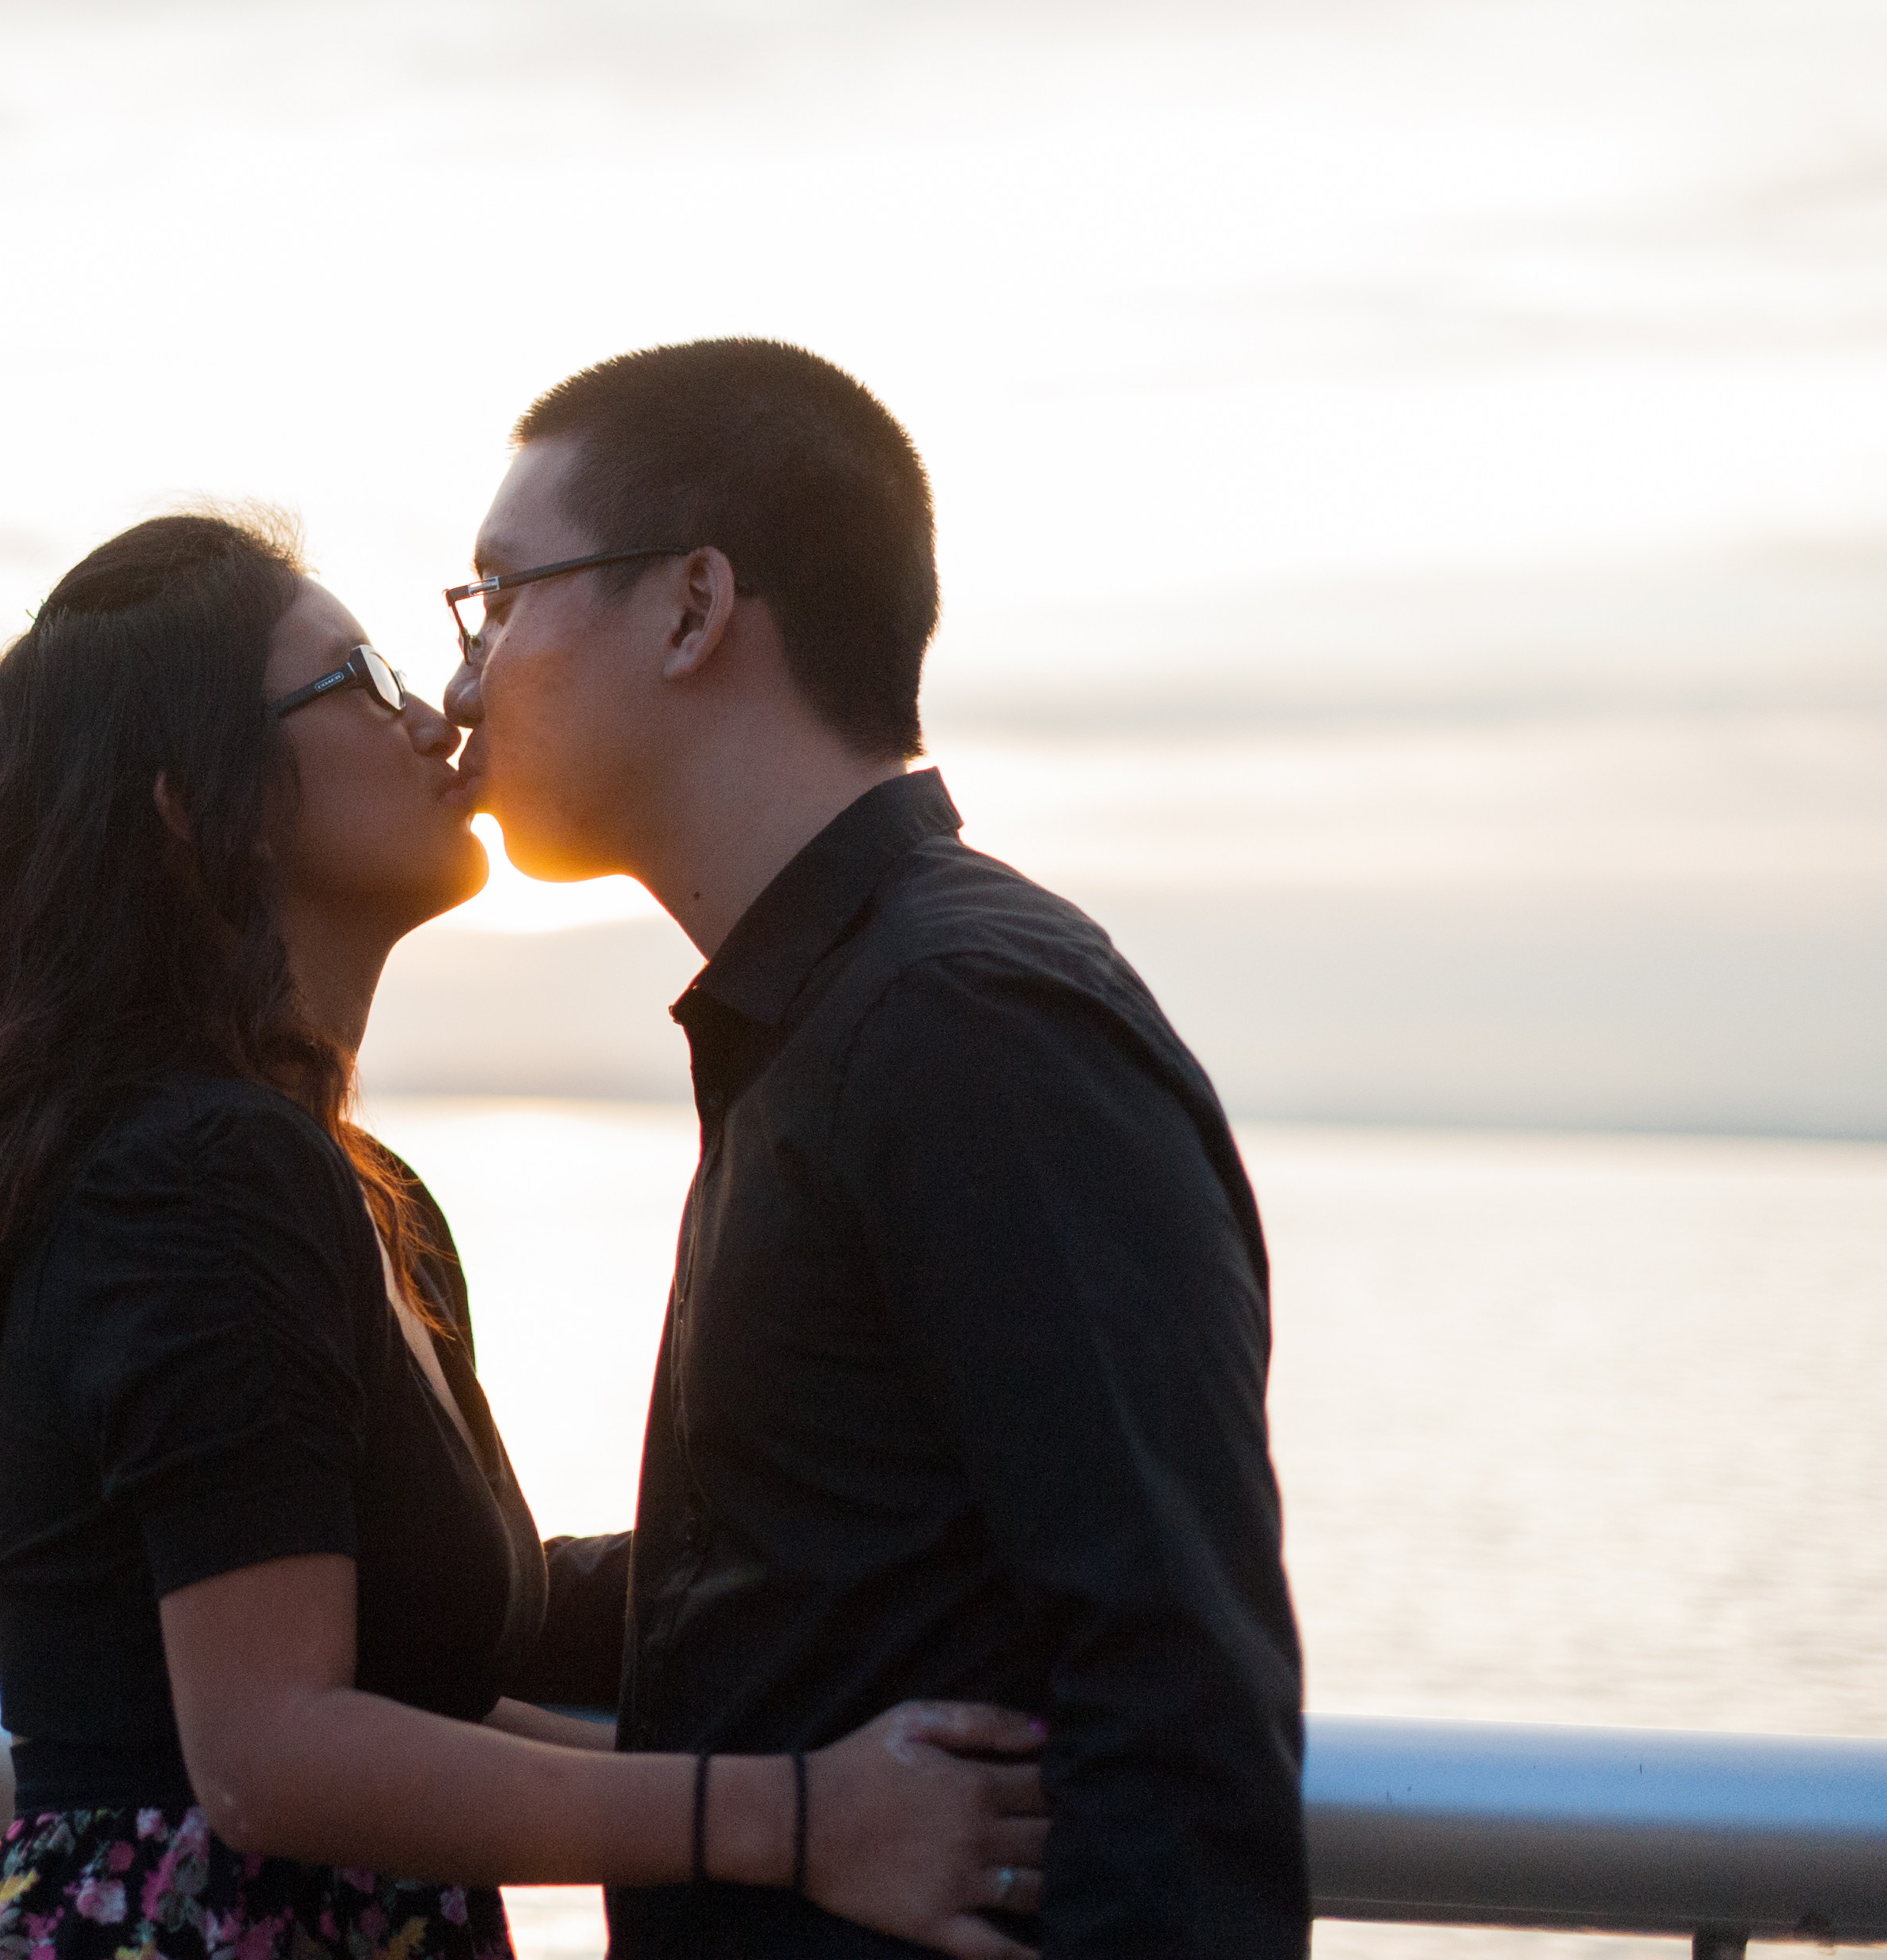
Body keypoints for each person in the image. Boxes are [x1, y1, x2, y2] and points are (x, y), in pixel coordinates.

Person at [0, 511, 1055, 1960]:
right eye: (360, 681)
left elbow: (417, 1713)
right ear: (197, 805)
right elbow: (274, 1756)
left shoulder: (357, 1191)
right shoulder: (201, 1176)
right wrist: (800, 1819)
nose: (441, 717)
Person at [442, 340, 1309, 1958]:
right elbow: (824, 1571)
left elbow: (1172, 1686)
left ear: (694, 607)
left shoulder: (967, 1025)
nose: (463, 681)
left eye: (499, 598)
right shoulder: (837, 1018)